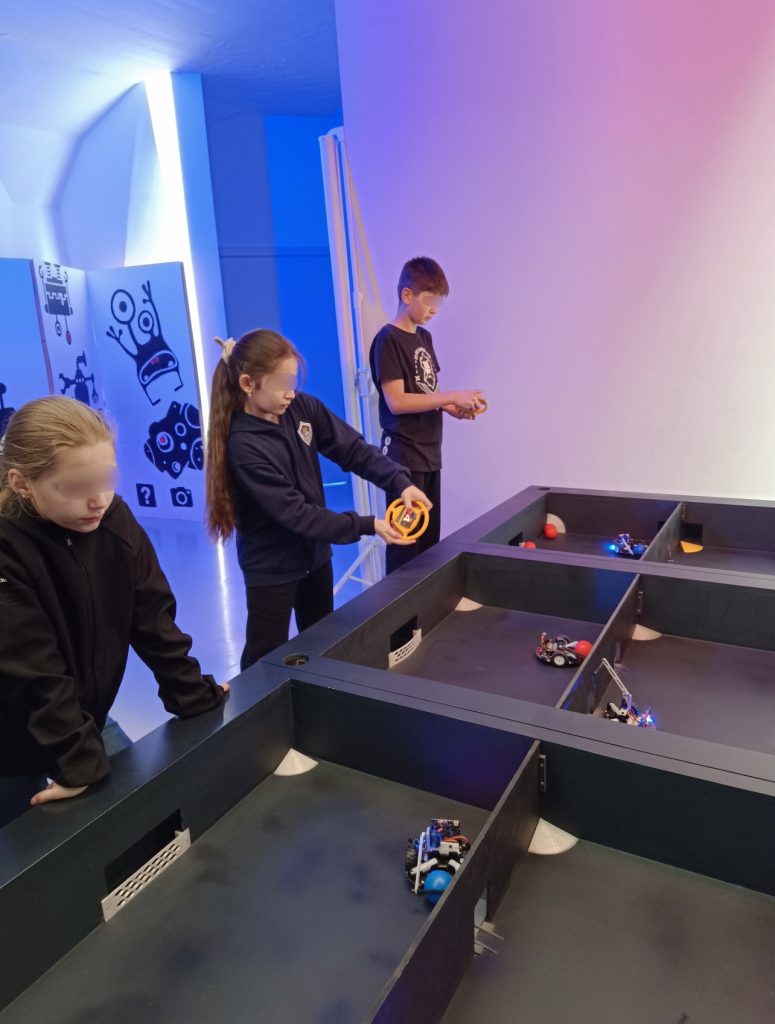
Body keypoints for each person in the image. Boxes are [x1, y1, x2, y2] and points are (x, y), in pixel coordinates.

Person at [0, 396, 227, 827]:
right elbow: (33, 670)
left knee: (140, 822)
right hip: (11, 742)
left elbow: (152, 616)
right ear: (22, 483)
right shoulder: (7, 548)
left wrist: (192, 692)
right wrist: (79, 763)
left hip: (83, 718)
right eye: (76, 487)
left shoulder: (114, 518)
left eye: (107, 479)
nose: (99, 500)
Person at [205, 329, 430, 670]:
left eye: (292, 381)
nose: (290, 392)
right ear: (248, 384)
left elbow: (353, 450)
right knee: (265, 656)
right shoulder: (243, 446)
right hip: (272, 569)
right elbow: (298, 514)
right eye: (281, 383)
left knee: (321, 644)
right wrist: (368, 524)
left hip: (315, 558)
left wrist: (400, 483)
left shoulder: (302, 408)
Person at [369, 256, 487, 573]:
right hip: (403, 459)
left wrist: (454, 409)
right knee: (405, 549)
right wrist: (451, 396)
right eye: (430, 301)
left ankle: (423, 607)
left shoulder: (424, 338)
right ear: (407, 295)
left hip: (430, 454)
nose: (434, 310)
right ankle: (399, 608)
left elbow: (425, 392)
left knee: (428, 548)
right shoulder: (388, 339)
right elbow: (396, 401)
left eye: (438, 303)